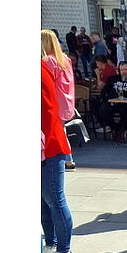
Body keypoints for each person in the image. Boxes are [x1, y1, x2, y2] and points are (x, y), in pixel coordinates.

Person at [41, 59, 75, 253]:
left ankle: (64, 250)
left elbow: (47, 110)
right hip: (47, 142)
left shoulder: (43, 68)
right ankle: (52, 244)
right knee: (44, 201)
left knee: (54, 199)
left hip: (49, 144)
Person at [41, 29, 78, 171]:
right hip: (66, 99)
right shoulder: (65, 59)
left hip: (54, 101)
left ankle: (68, 160)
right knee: (61, 131)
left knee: (59, 132)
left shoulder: (48, 61)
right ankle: (68, 160)